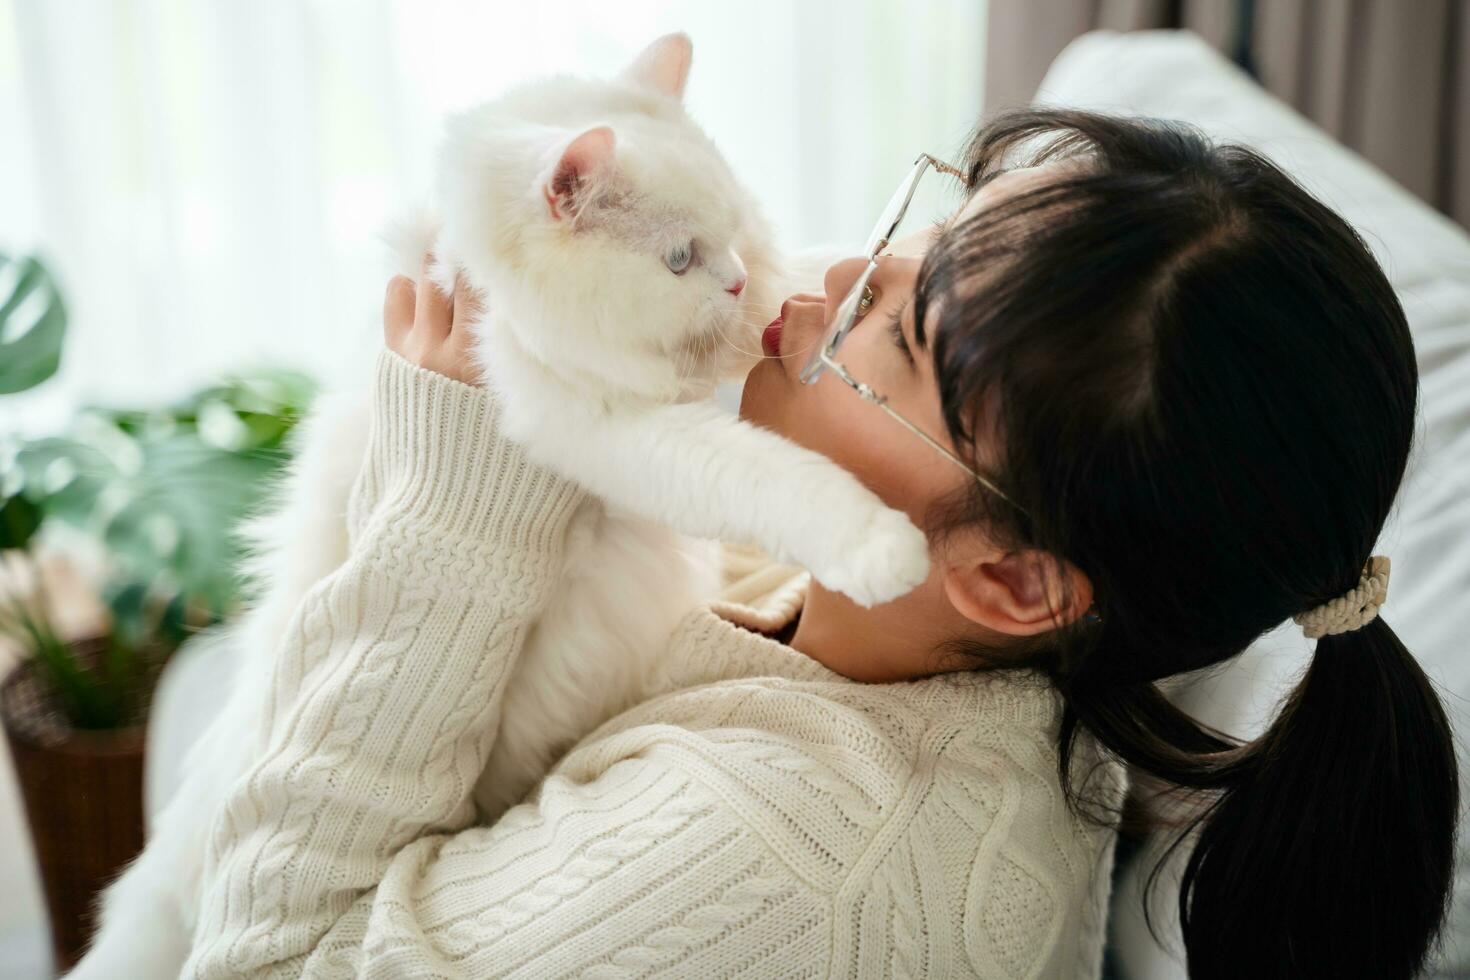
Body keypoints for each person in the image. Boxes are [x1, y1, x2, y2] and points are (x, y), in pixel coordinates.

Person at [182, 107, 1458, 979]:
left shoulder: (791, 857)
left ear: (1012, 577)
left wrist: (450, 507)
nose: (842, 276)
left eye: (895, 338)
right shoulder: (887, 623)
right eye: (924, 244)